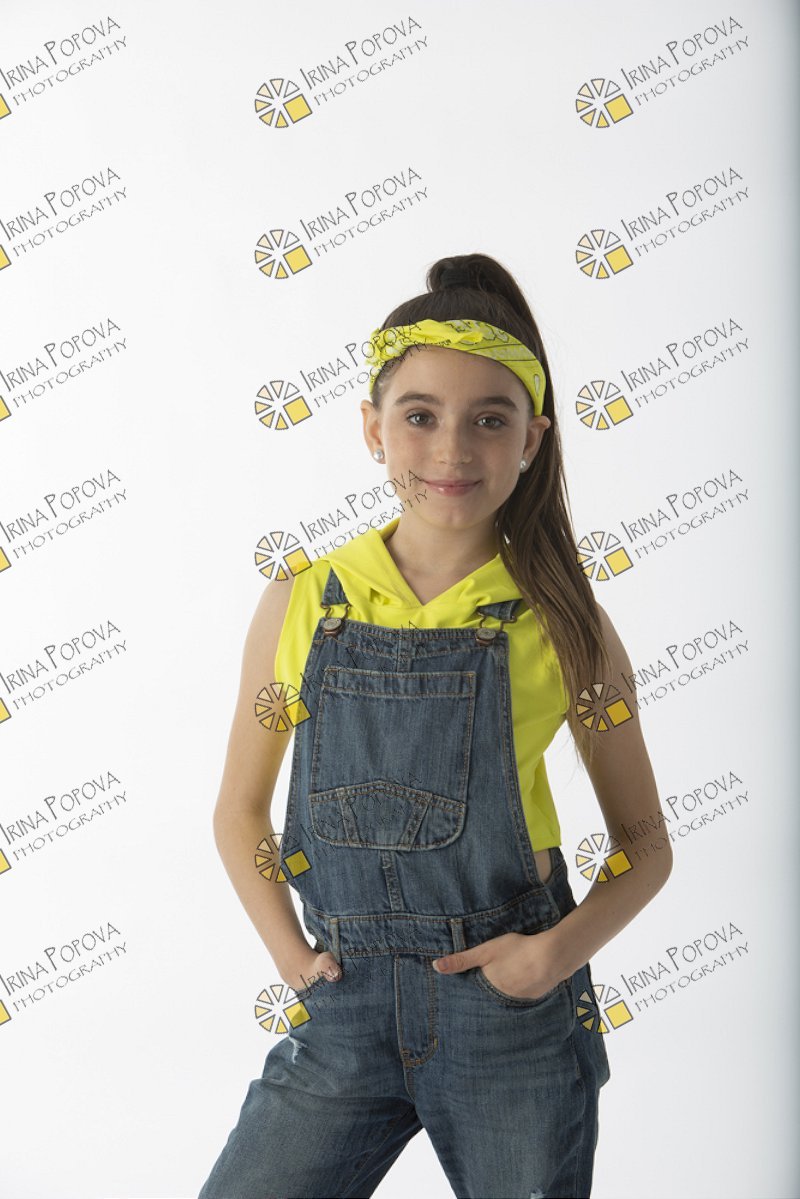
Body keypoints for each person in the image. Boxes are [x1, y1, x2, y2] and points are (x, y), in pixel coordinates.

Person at [197, 253, 672, 1199]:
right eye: (420, 415)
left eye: (489, 419)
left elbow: (645, 842)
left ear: (532, 438)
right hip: (344, 1005)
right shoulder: (304, 598)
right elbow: (238, 810)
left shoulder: (565, 621)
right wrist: (293, 959)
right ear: (373, 430)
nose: (452, 449)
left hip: (509, 1019)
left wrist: (549, 958)